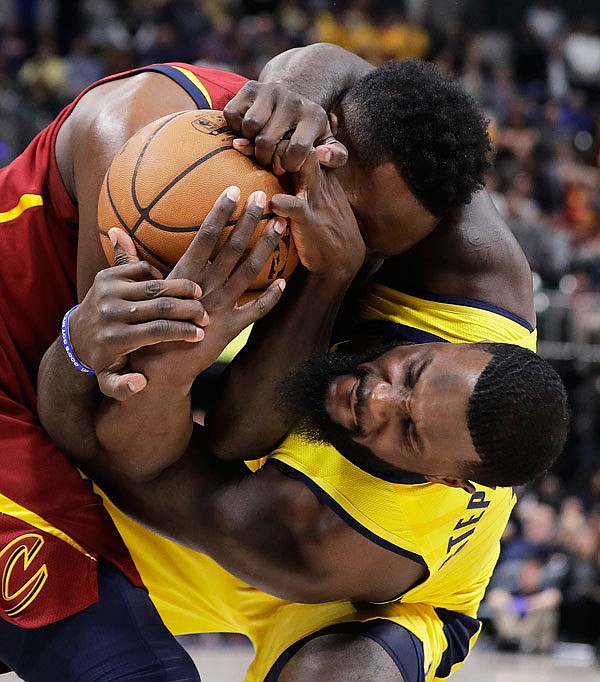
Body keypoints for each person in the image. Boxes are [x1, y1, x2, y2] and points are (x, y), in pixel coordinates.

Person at [0, 41, 554, 680]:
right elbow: (368, 83)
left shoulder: (314, 540)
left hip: (291, 549)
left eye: (405, 426)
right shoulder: (147, 143)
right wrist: (304, 83)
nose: (374, 397)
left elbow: (210, 440)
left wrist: (329, 278)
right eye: (411, 373)